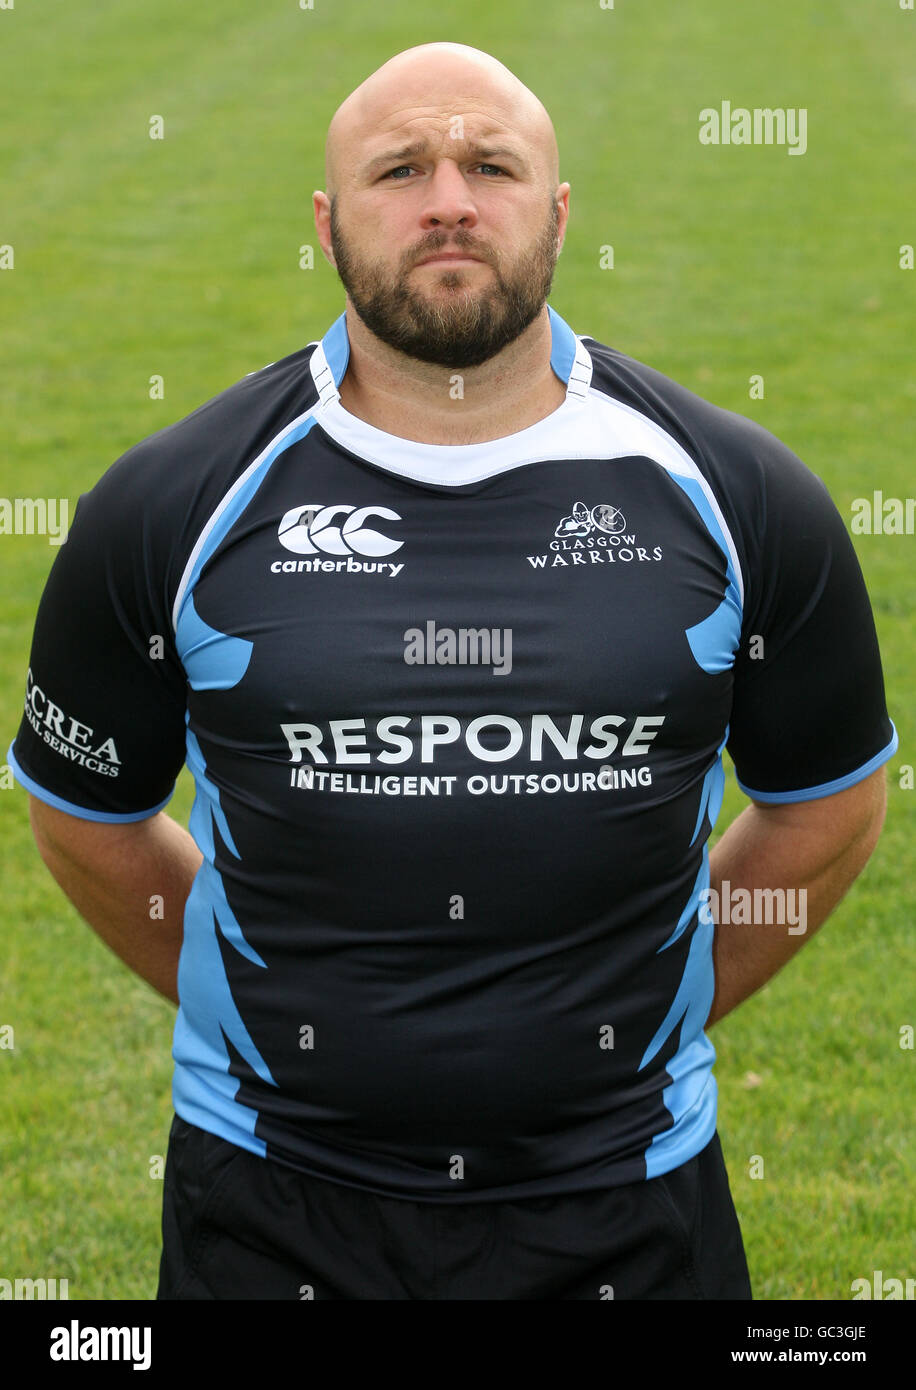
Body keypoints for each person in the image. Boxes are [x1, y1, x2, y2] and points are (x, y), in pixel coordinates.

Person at [8, 41, 896, 1301]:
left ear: (559, 210)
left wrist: (641, 1011)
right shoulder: (171, 503)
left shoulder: (738, 495)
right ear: (325, 222)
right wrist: (270, 1016)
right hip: (270, 1214)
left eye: (491, 165)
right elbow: (87, 819)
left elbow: (827, 804)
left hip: (627, 1211)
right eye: (398, 170)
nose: (448, 201)